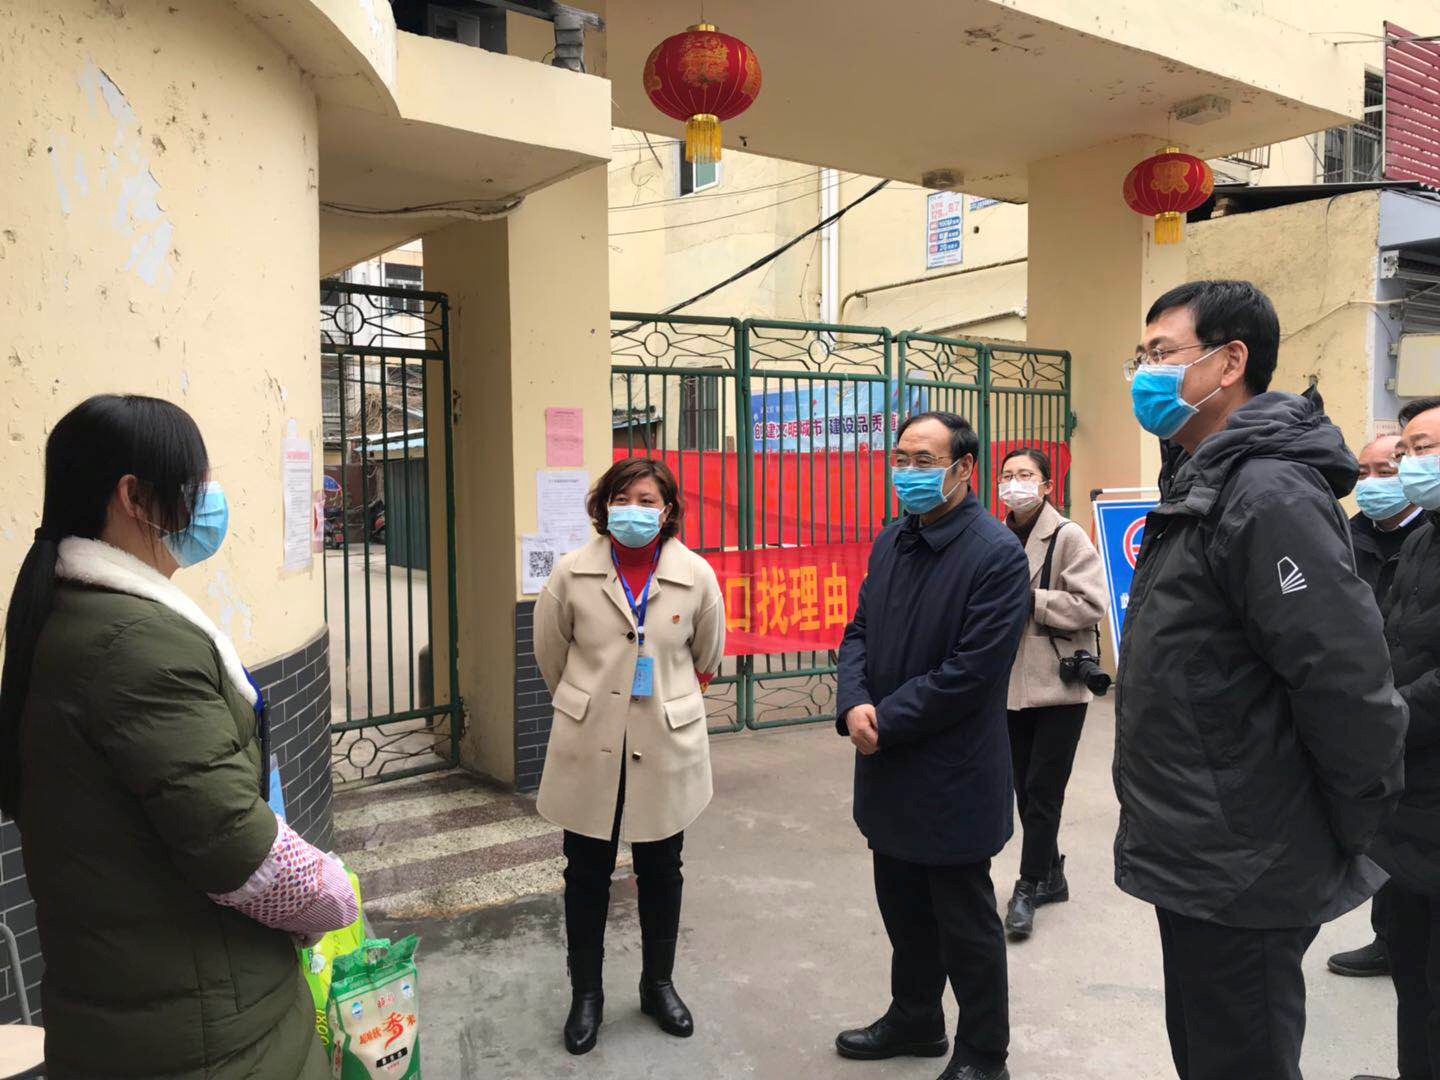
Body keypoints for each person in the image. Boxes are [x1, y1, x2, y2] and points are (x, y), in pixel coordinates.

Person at [0, 395, 358, 1079]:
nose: (209, 503)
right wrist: (331, 894)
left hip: (148, 1004)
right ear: (134, 496)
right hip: (206, 1028)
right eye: (195, 485)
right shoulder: (133, 646)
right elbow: (237, 850)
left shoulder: (81, 616)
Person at [1113, 280, 1407, 1080]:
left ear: (1229, 361)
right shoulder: (1201, 477)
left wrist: (1352, 823)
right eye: (1140, 356)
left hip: (1246, 854)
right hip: (1200, 846)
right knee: (1207, 1051)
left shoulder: (1266, 492)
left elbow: (1345, 680)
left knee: (1239, 1060)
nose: (1144, 373)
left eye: (1162, 353)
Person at [834, 411, 1030, 1080]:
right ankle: (916, 1018)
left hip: (952, 773)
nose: (908, 472)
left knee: (965, 924)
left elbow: (972, 674)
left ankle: (984, 1055)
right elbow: (859, 631)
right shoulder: (893, 539)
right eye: (901, 459)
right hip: (886, 764)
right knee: (903, 908)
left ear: (964, 469)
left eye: (925, 461)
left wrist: (883, 719)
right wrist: (853, 702)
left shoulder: (995, 554)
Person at [534, 457, 725, 1055]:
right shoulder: (571, 573)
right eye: (622, 498)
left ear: (667, 512)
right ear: (603, 505)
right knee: (585, 872)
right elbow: (551, 656)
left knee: (662, 869)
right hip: (590, 743)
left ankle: (657, 985)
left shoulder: (696, 575)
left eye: (647, 500)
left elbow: (707, 658)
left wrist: (659, 701)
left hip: (664, 743)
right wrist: (594, 703)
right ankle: (586, 996)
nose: (634, 510)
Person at [1353, 396, 1440, 1080]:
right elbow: (1385, 643)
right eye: (1405, 450)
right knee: (1412, 974)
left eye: (1424, 449)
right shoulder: (1419, 542)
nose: (1411, 465)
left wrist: (1385, 715)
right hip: (1412, 799)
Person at [995, 447, 1107, 940]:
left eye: (1026, 475)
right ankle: (1052, 873)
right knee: (1024, 786)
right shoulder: (996, 536)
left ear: (1046, 486)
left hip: (1058, 683)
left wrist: (1031, 599)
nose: (1014, 483)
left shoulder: (1067, 536)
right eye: (1007, 474)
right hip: (1010, 684)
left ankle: (1028, 886)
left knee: (1044, 789)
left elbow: (1091, 603)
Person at [1328, 432, 1426, 980]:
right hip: (1368, 698)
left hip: (1412, 704)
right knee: (1386, 825)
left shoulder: (1426, 536)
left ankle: (1399, 939)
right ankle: (1389, 937)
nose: (1371, 485)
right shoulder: (1345, 535)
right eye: (1362, 473)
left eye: (1386, 471)